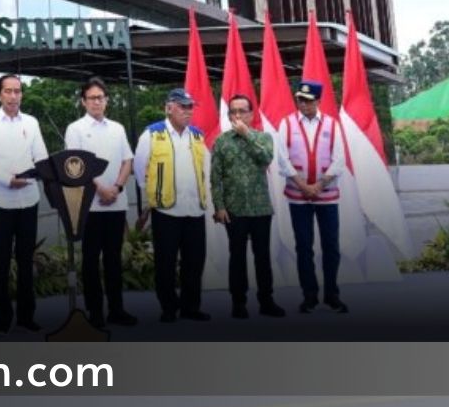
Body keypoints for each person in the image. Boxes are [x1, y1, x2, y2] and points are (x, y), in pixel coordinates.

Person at [0, 73, 49, 334]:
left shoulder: (32, 122)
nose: (13, 96)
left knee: (26, 260)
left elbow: (41, 156)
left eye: (17, 91)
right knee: (2, 262)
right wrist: (8, 179)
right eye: (8, 91)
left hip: (29, 199)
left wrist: (37, 173)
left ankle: (27, 317)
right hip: (0, 202)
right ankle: (3, 318)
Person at [63, 76, 136, 329]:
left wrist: (115, 187)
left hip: (116, 202)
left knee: (114, 258)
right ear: (83, 102)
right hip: (90, 205)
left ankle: (117, 309)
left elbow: (128, 160)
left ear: (107, 100)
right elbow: (76, 167)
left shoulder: (117, 128)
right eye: (92, 98)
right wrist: (100, 189)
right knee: (91, 259)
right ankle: (95, 312)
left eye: (101, 98)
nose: (97, 102)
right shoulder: (75, 129)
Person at [133, 87, 210, 323]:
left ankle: (191, 307)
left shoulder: (197, 135)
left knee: (194, 262)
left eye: (190, 107)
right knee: (165, 263)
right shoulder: (152, 133)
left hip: (194, 209)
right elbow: (139, 169)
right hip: (166, 209)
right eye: (182, 106)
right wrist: (153, 194)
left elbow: (206, 169)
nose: (188, 112)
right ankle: (168, 307)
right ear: (169, 108)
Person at [210, 93, 285, 319]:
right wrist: (219, 206)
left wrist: (247, 136)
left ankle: (266, 301)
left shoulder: (264, 138)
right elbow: (216, 178)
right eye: (234, 111)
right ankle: (238, 302)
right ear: (229, 115)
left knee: (262, 256)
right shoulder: (221, 142)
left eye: (243, 111)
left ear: (251, 114)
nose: (238, 115)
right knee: (237, 257)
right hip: (234, 210)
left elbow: (266, 159)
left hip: (261, 208)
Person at [278, 79, 349, 314]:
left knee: (331, 246)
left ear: (318, 101)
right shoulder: (286, 124)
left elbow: (339, 159)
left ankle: (332, 295)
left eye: (309, 101)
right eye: (300, 100)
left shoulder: (332, 124)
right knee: (304, 247)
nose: (304, 105)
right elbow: (282, 159)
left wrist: (318, 185)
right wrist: (302, 185)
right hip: (298, 197)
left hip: (327, 195)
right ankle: (309, 296)